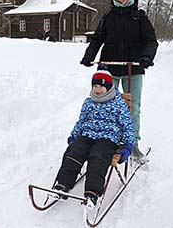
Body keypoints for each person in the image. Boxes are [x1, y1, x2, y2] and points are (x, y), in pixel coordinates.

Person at [80, 0, 158, 158]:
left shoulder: (139, 17)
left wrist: (146, 57)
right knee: (104, 104)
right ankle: (107, 139)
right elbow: (97, 38)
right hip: (110, 68)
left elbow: (151, 41)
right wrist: (89, 56)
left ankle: (133, 143)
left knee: (133, 106)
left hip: (134, 68)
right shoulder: (108, 17)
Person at [53, 69, 136, 208]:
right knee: (73, 152)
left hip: (108, 138)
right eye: (95, 86)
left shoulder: (118, 104)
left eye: (101, 86)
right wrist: (74, 136)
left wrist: (128, 145)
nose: (97, 90)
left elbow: (127, 125)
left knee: (98, 157)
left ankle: (92, 192)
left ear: (109, 87)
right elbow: (81, 121)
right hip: (87, 135)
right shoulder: (88, 102)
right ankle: (63, 184)